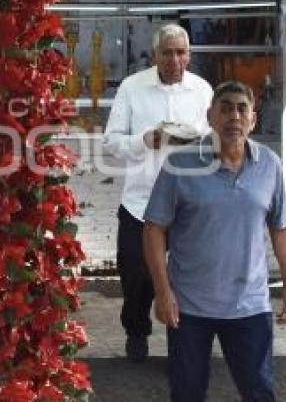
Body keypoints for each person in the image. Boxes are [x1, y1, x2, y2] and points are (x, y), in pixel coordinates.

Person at [143, 81, 286, 402]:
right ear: (210, 116)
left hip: (250, 306)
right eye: (226, 108)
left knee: (259, 392)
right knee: (187, 393)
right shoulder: (180, 164)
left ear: (253, 119)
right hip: (188, 308)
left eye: (242, 109)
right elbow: (154, 228)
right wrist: (162, 291)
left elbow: (282, 228)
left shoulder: (269, 165)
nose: (234, 116)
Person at [103, 23, 213, 361]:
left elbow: (213, 140)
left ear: (189, 56)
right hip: (142, 202)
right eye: (167, 53)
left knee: (188, 277)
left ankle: (184, 343)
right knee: (137, 275)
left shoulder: (202, 90)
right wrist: (144, 141)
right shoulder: (132, 88)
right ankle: (136, 333)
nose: (174, 60)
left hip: (188, 202)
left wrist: (197, 144)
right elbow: (110, 143)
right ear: (155, 55)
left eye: (181, 53)